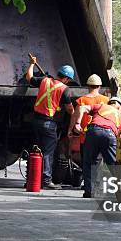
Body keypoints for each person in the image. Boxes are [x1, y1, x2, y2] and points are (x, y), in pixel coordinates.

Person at [26, 55, 75, 189]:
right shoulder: (64, 89)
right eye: (69, 80)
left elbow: (29, 78)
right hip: (48, 123)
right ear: (66, 78)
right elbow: (70, 109)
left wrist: (31, 64)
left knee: (36, 150)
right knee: (47, 152)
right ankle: (46, 181)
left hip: (35, 120)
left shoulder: (44, 81)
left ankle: (31, 178)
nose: (68, 83)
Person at [73, 97, 121, 198]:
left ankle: (89, 191)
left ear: (110, 104)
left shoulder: (101, 106)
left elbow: (82, 108)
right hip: (110, 135)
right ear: (120, 107)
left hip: (94, 131)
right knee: (114, 164)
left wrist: (78, 123)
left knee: (89, 163)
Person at [70, 74, 109, 147]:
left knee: (86, 157)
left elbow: (75, 116)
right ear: (99, 86)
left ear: (88, 86)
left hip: (85, 136)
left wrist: (70, 129)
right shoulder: (106, 100)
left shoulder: (81, 100)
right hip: (101, 136)